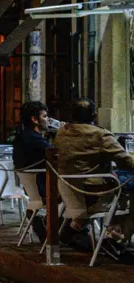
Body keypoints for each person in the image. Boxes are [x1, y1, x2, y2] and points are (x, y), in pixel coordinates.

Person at [53, 98, 134, 248]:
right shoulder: (100, 135)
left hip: (70, 194)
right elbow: (126, 161)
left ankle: (75, 226)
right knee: (129, 188)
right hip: (94, 195)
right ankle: (115, 236)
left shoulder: (61, 133)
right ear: (94, 115)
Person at [12, 101, 51, 238]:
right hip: (46, 191)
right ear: (35, 119)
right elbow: (57, 154)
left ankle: (46, 221)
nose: (48, 120)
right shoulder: (35, 140)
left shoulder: (20, 138)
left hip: (32, 192)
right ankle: (65, 230)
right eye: (45, 116)